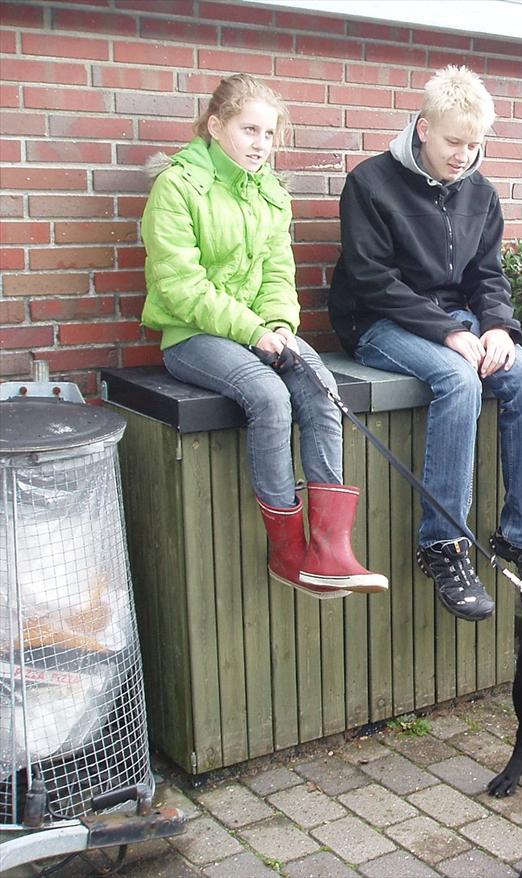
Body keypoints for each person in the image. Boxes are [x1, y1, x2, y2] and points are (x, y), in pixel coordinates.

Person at [140, 74, 387, 599]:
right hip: (192, 336)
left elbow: (278, 273)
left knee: (321, 389)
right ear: (215, 126)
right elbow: (181, 286)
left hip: (257, 332)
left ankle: (330, 550)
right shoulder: (178, 186)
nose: (260, 144)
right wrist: (253, 330)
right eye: (249, 130)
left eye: (269, 134)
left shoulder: (271, 192)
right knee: (270, 397)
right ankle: (287, 552)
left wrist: (278, 325)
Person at [328, 66, 522, 622]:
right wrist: (451, 333)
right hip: (378, 323)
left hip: (453, 321)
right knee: (458, 379)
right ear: (424, 127)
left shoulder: (480, 192)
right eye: (454, 142)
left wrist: (498, 327)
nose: (463, 155)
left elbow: (488, 275)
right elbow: (372, 280)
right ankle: (444, 546)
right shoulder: (370, 183)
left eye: (475, 144)